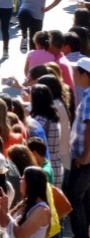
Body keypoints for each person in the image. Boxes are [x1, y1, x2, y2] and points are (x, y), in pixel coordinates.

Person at [67, 56, 90, 238]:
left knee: (75, 197)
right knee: (84, 196)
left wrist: (86, 156)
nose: (73, 75)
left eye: (76, 72)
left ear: (85, 75)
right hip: (83, 157)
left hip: (85, 159)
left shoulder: (89, 96)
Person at [0, 166, 51, 237]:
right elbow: (3, 223)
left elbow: (20, 234)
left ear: (30, 183)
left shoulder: (42, 210)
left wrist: (6, 213)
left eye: (22, 179)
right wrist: (3, 205)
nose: (20, 181)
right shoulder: (25, 202)